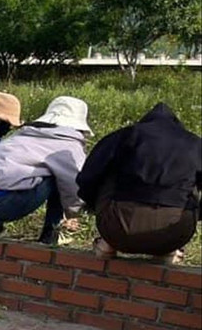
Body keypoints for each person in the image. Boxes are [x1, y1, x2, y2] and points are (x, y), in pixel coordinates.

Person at [79, 102, 201, 264]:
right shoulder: (195, 143)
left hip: (116, 229)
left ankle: (108, 244)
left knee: (108, 174)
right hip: (176, 233)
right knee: (191, 185)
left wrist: (93, 207)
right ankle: (168, 250)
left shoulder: (125, 135)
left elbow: (87, 178)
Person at [0, 95, 90, 246]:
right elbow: (73, 183)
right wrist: (74, 212)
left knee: (10, 180)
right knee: (57, 176)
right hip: (4, 205)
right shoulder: (69, 145)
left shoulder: (20, 136)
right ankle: (49, 236)